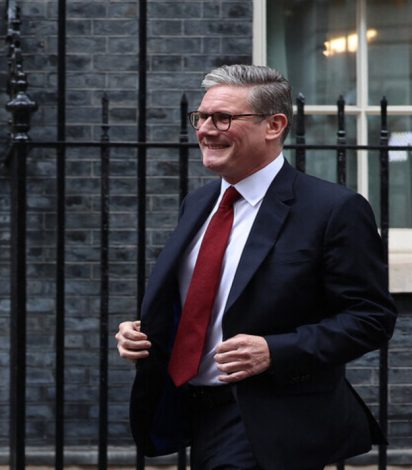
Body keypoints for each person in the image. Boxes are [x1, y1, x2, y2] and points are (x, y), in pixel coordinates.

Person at [115, 64, 397, 470]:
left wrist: (274, 351)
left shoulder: (333, 209)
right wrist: (143, 333)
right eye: (201, 117)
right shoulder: (199, 203)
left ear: (274, 125)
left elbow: (371, 318)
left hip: (271, 420)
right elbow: (203, 301)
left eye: (223, 118)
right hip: (196, 412)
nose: (205, 130)